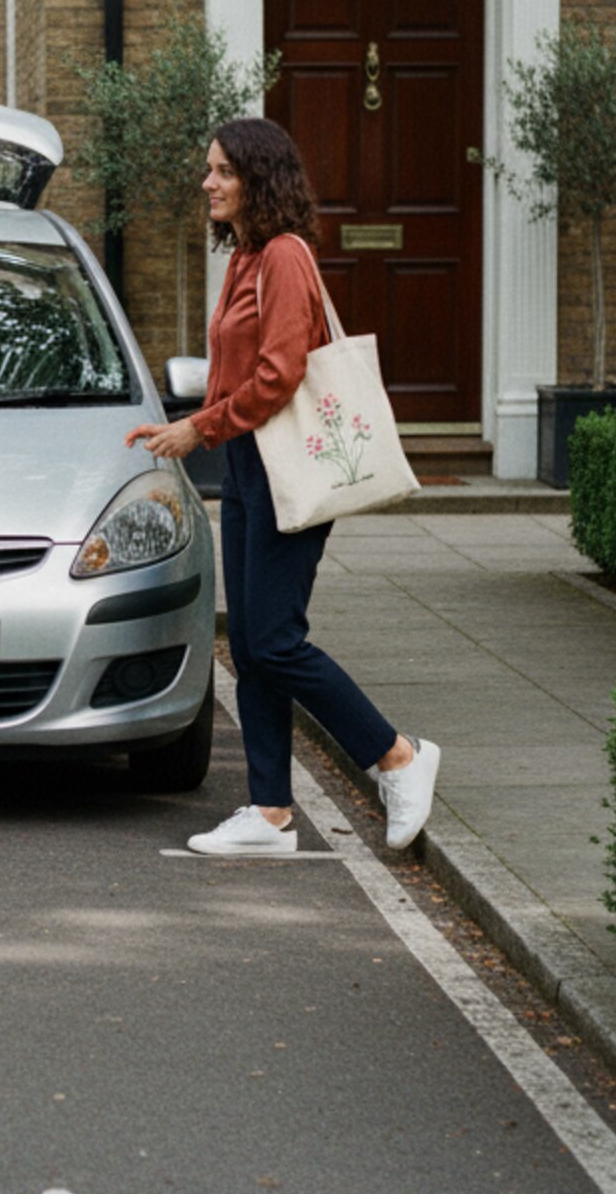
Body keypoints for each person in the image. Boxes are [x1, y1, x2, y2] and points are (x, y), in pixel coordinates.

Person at [125, 117, 440, 857]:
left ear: (259, 180)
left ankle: (397, 755)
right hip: (247, 466)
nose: (208, 182)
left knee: (271, 639)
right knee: (257, 642)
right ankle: (269, 811)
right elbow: (243, 374)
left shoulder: (286, 258)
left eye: (223, 172)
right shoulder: (246, 258)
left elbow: (281, 372)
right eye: (209, 169)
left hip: (281, 465)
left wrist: (198, 430)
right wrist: (200, 423)